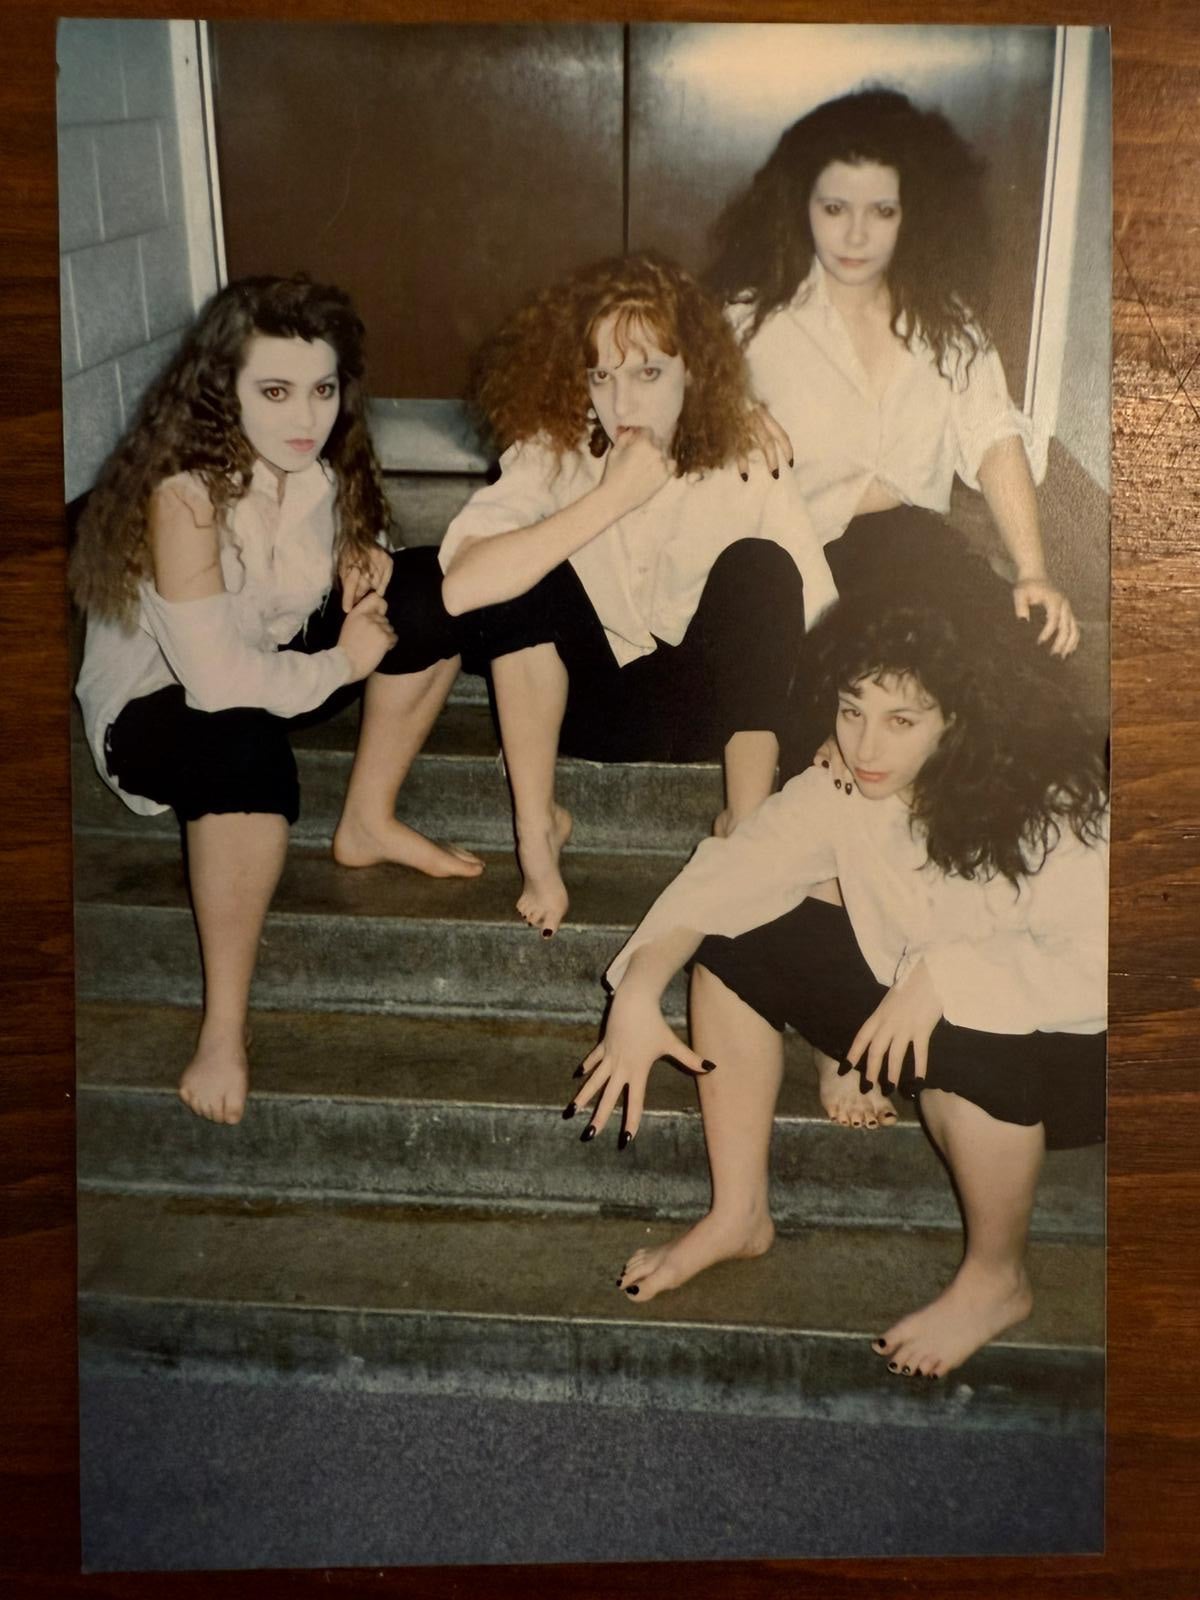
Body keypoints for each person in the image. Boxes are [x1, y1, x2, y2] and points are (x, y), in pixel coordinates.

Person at [567, 590, 1107, 1381]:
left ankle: (998, 1281)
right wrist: (640, 990)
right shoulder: (844, 783)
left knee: (967, 1051)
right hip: (915, 1006)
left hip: (1069, 1054)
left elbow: (1107, 968)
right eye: (851, 711)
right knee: (738, 940)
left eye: (900, 721)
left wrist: (945, 982)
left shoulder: (1046, 800)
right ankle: (737, 1214)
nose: (863, 744)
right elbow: (727, 876)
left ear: (955, 717)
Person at [72, 275, 481, 1127]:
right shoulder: (182, 496)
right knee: (244, 741)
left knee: (442, 588)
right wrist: (342, 660)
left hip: (272, 657)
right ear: (223, 388)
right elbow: (218, 684)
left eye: (323, 389)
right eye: (275, 391)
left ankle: (367, 819)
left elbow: (317, 552)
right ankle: (225, 1026)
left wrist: (364, 552)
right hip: (163, 710)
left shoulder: (316, 464)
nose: (306, 416)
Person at [439, 253, 837, 936]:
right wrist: (610, 497)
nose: (623, 405)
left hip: (714, 711)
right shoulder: (553, 450)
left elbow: (821, 619)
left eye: (649, 373)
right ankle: (537, 832)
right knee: (520, 571)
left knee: (763, 567)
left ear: (695, 372)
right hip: (590, 709)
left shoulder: (745, 452)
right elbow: (460, 591)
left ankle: (745, 827)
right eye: (603, 376)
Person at [707, 87, 1080, 657]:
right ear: (800, 207)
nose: (856, 235)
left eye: (881, 210)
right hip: (790, 556)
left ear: (912, 215)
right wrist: (727, 413)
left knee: (1010, 659)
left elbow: (995, 440)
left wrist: (1034, 571)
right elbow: (675, 417)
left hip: (913, 554)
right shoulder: (749, 319)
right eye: (835, 209)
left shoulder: (947, 323)